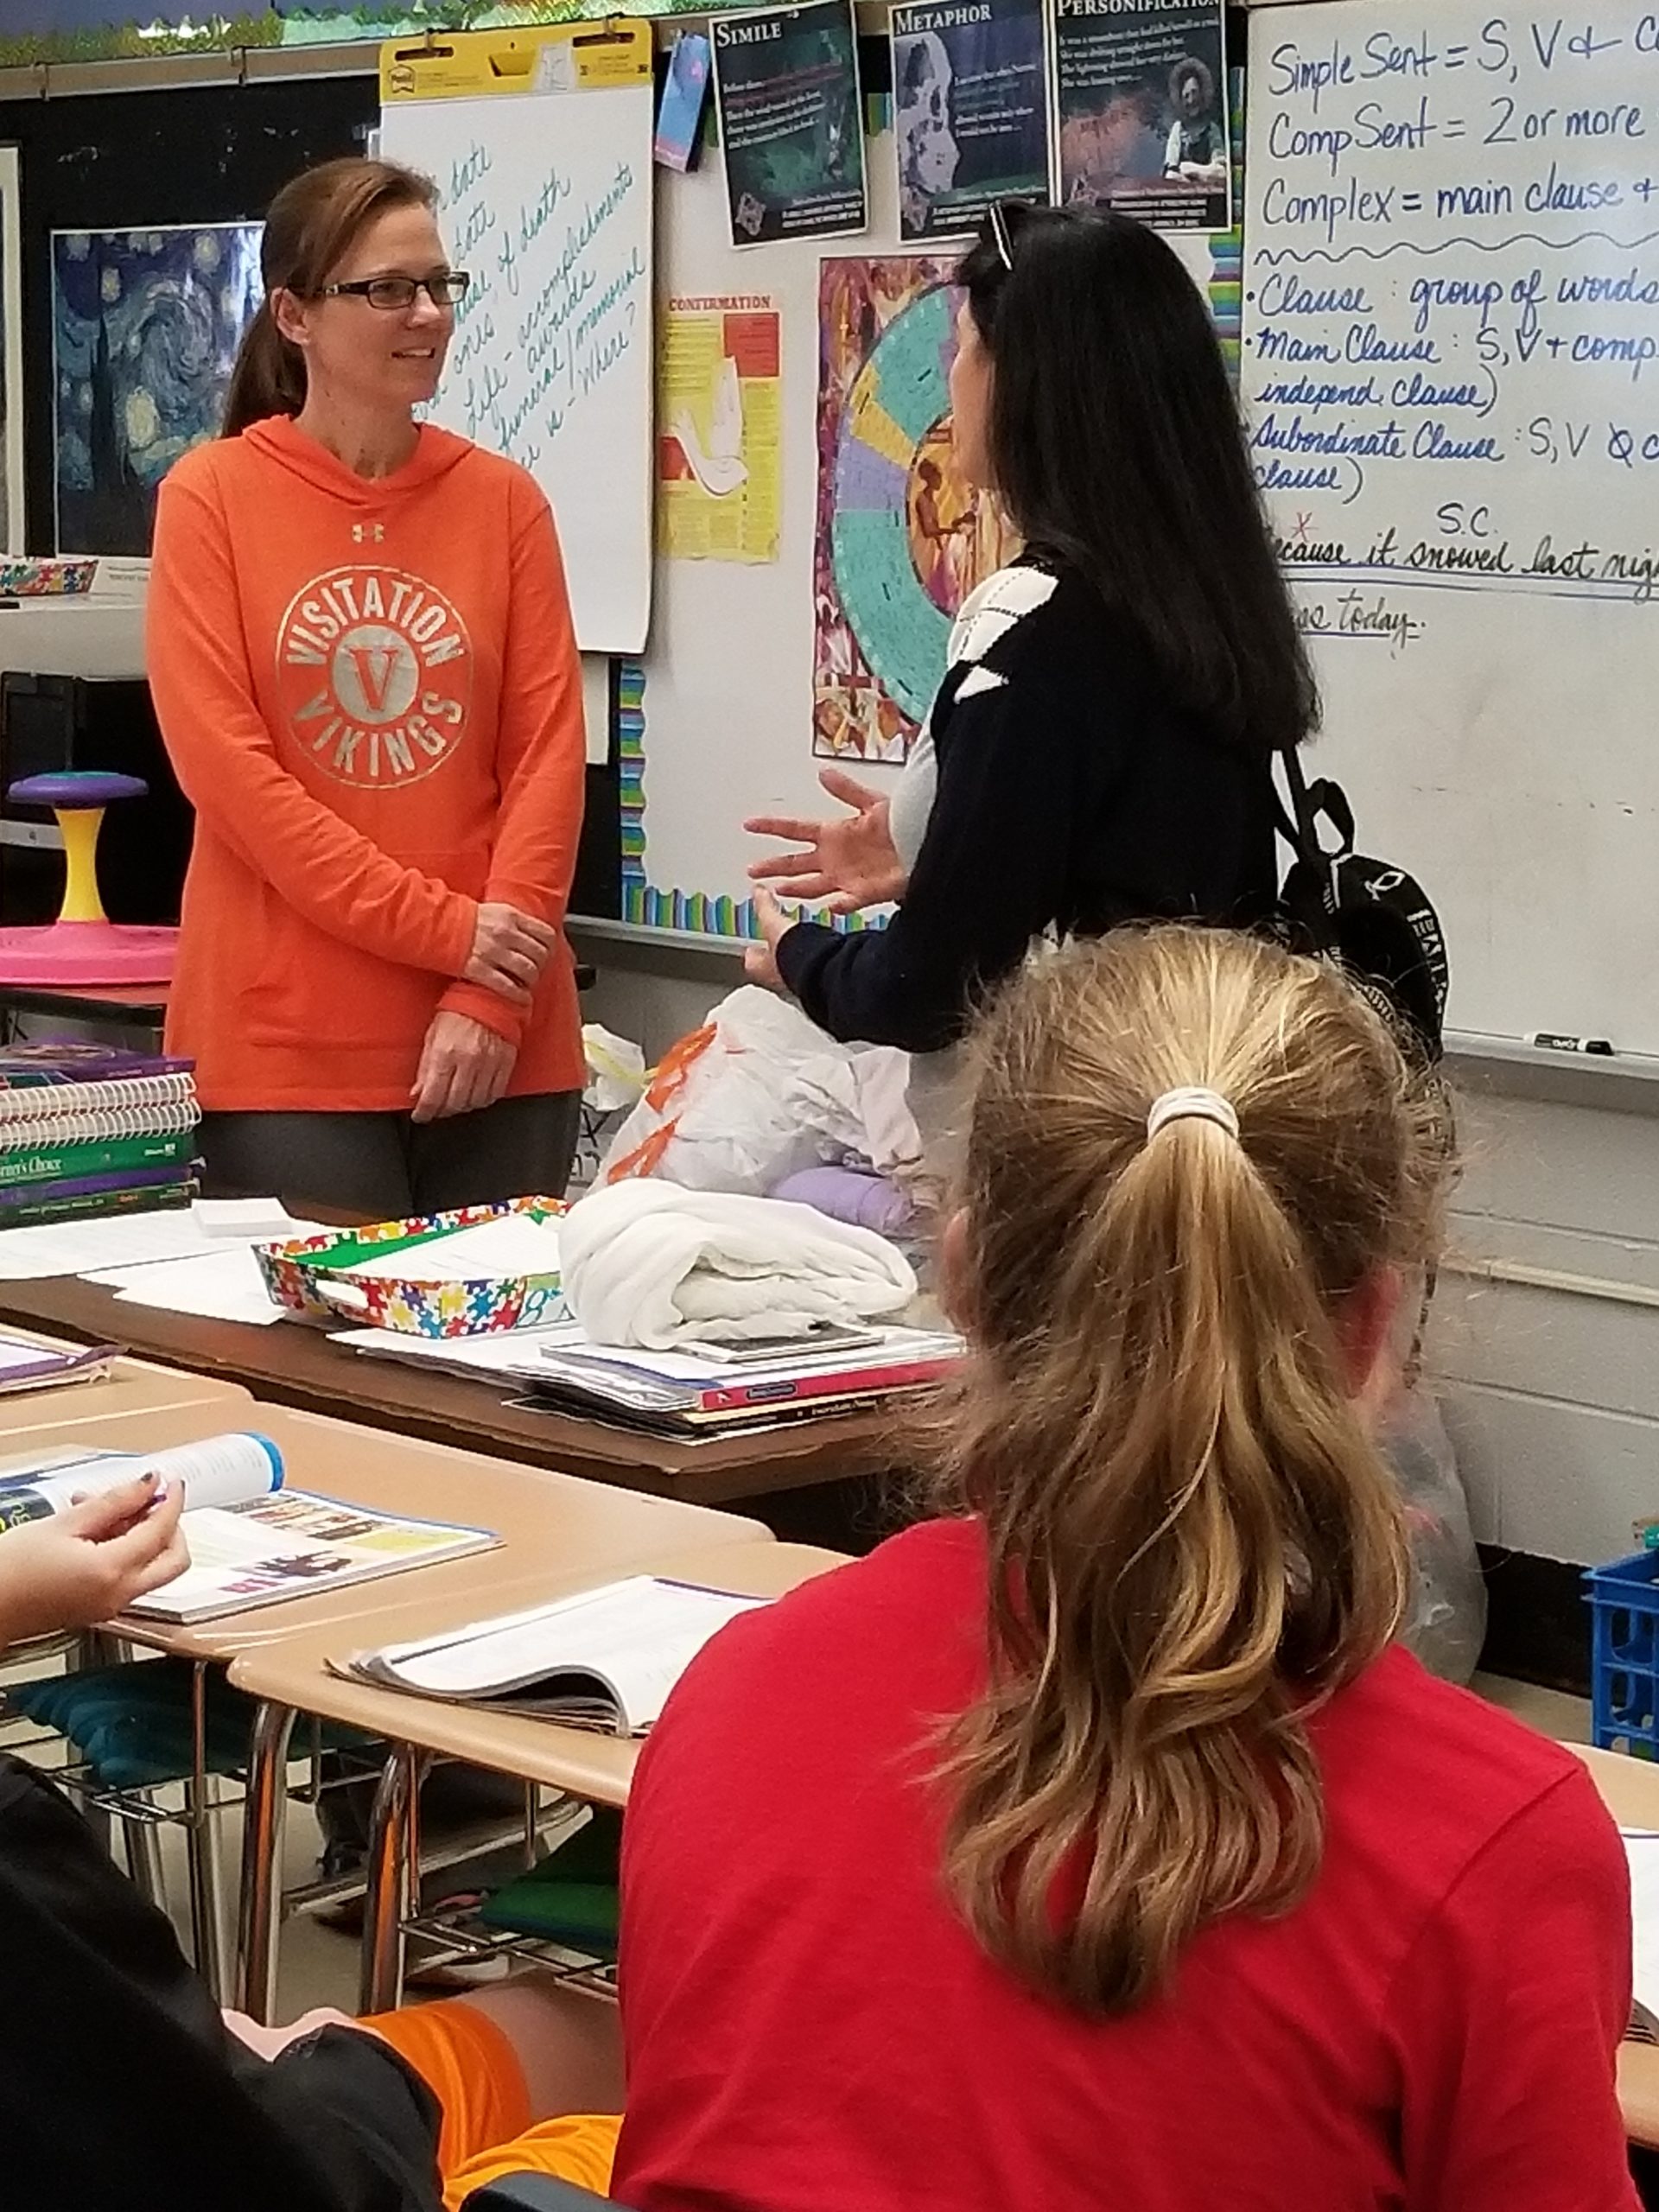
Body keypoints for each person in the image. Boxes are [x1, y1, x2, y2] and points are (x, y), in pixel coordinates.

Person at [745, 201, 1312, 1168]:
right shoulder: (1201, 599)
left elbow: (932, 988)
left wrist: (800, 959)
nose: (950, 376)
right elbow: (1124, 855)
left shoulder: (1031, 625)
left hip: (1072, 1136)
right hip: (1199, 1110)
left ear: (1030, 383)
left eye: (965, 347)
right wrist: (943, 848)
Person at [146, 156, 587, 1221]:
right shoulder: (211, 500)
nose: (427, 314)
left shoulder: (504, 502)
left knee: (499, 1337)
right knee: (316, 1337)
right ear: (295, 316)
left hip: (503, 1041)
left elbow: (545, 764)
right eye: (388, 289)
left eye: (439, 284)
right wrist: (452, 934)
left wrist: (489, 988)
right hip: (287, 1052)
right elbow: (236, 785)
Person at [1164, 55, 1229, 190]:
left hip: (1208, 182)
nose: (1191, 100)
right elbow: (1171, 168)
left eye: (1194, 93)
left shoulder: (1211, 128)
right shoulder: (1178, 129)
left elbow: (1220, 167)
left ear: (1202, 93)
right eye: (1186, 95)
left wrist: (1194, 170)